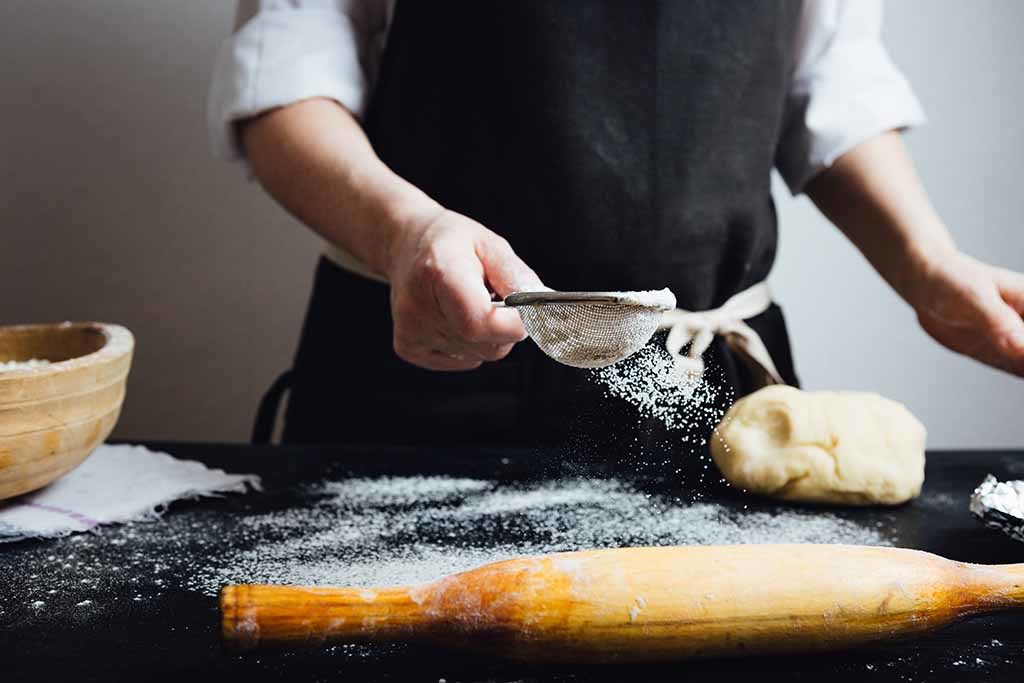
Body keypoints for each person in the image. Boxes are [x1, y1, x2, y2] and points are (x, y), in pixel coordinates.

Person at [209, 1, 1024, 453]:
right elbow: (286, 77)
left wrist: (928, 263)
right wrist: (405, 229)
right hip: (424, 382)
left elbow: (829, 80)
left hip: (711, 393)